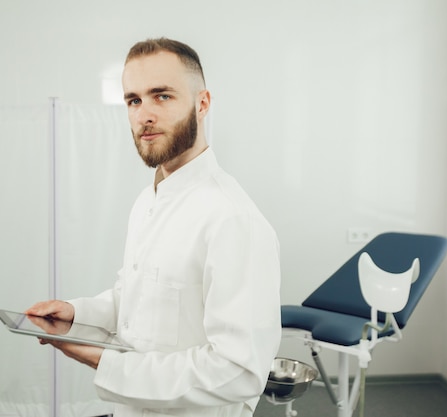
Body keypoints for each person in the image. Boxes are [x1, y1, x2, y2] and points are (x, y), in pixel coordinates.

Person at [26, 37, 281, 417]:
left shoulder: (233, 219)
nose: (144, 114)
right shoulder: (148, 200)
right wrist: (77, 314)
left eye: (162, 96)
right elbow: (135, 295)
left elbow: (240, 371)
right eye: (134, 100)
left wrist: (105, 363)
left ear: (203, 103)